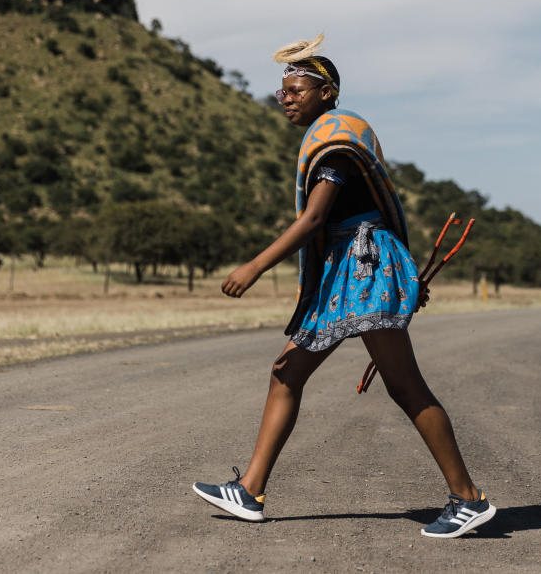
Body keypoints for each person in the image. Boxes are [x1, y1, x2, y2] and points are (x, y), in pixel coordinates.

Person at [192, 35, 495, 539]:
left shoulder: (336, 143)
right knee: (287, 372)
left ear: (326, 92)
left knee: (403, 384)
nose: (285, 98)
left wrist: (255, 266)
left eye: (295, 89)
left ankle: (468, 499)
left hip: (364, 267)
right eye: (281, 91)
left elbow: (313, 220)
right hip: (349, 273)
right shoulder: (330, 137)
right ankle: (249, 490)